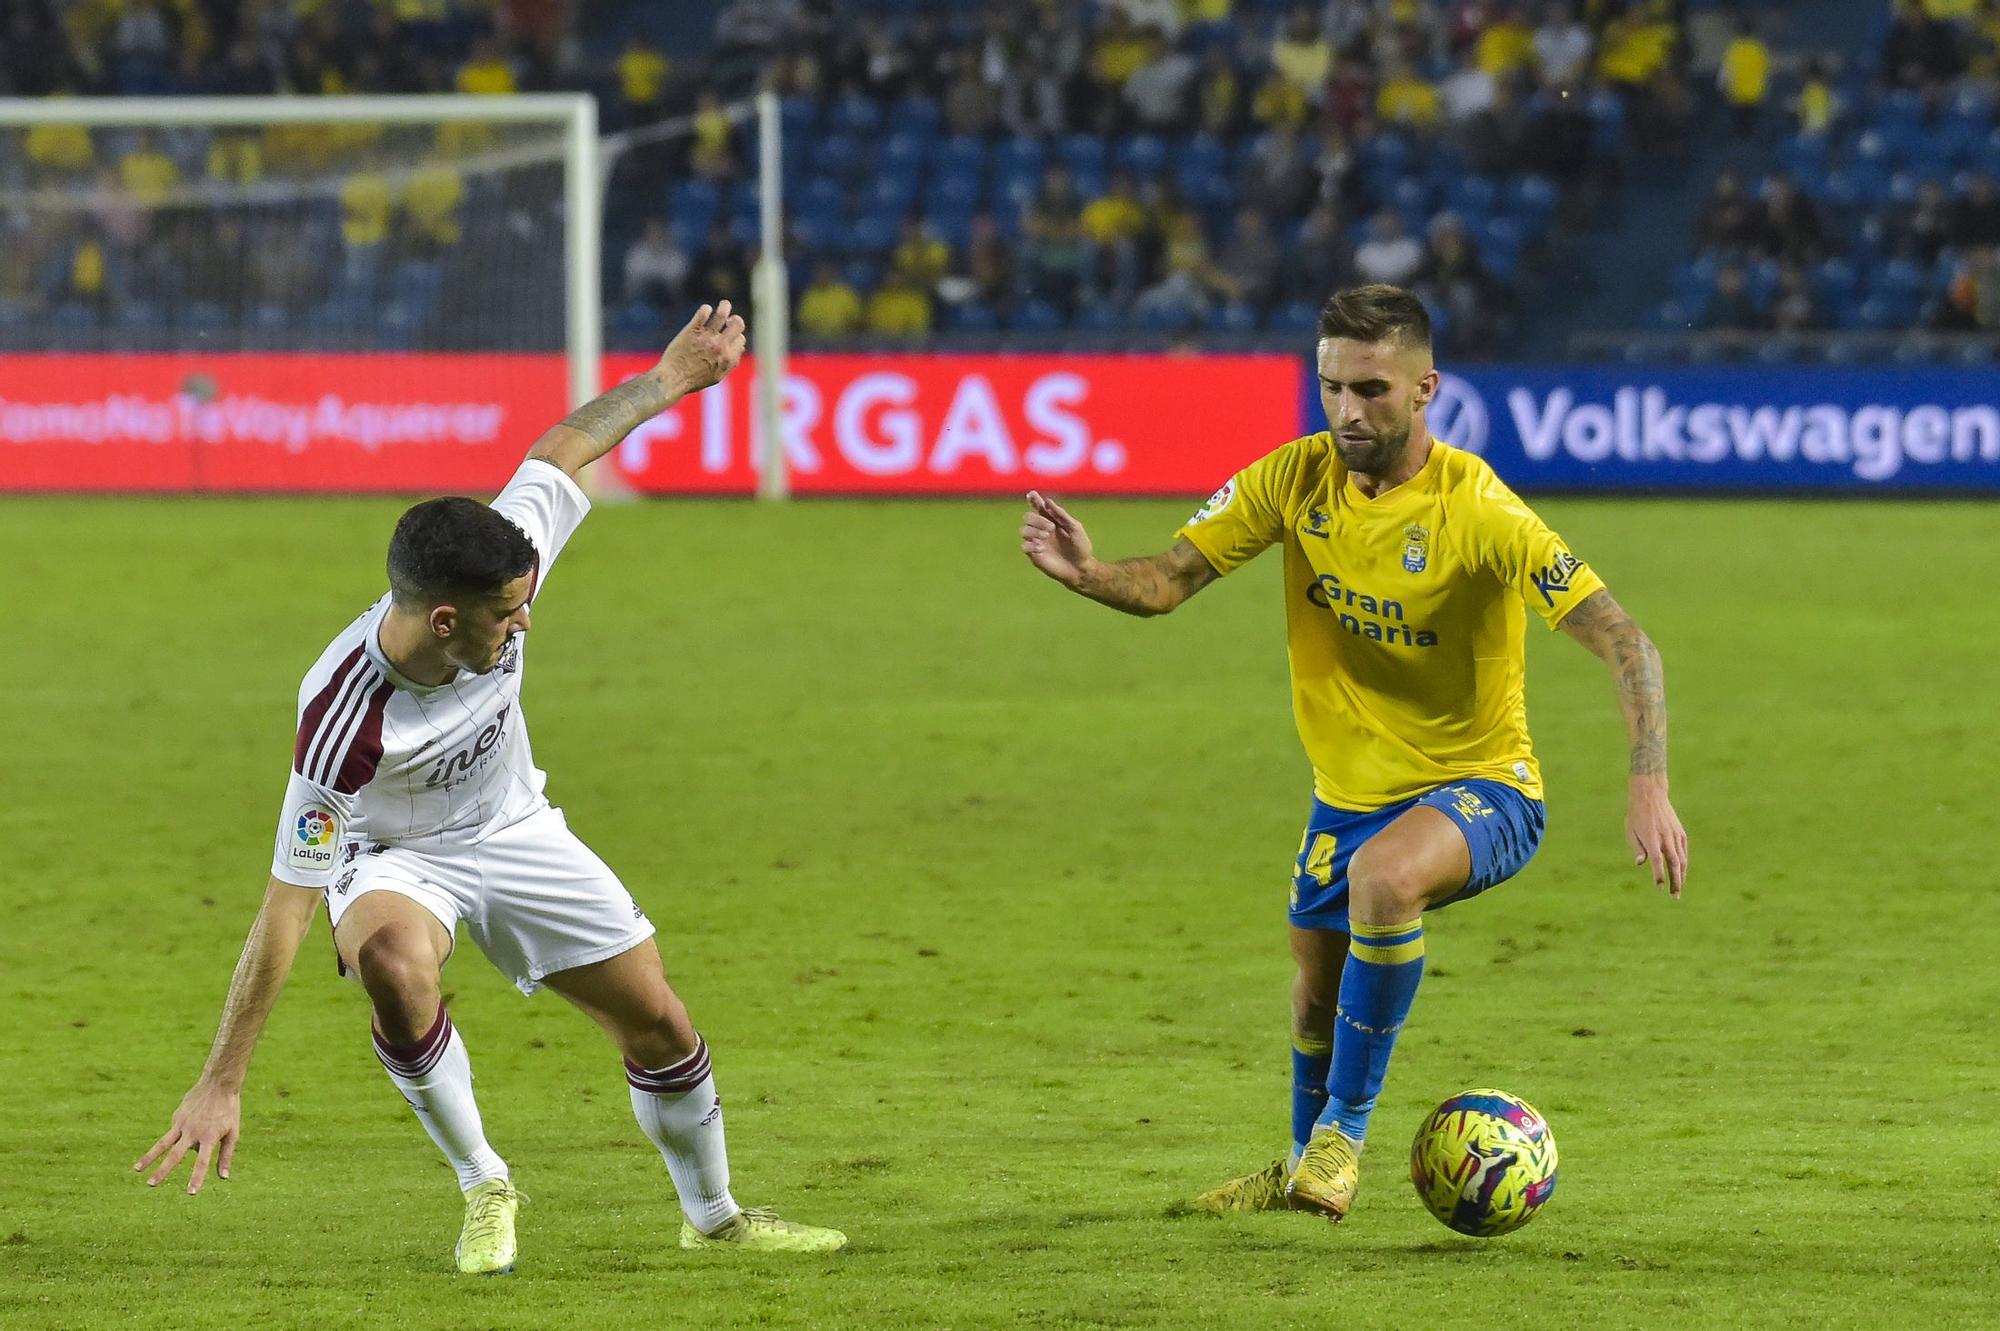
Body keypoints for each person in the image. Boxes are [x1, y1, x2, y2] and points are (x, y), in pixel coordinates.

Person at [134, 302, 848, 1269]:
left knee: (663, 1022)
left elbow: (560, 448)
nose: (522, 624)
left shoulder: (502, 559)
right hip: (395, 855)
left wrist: (674, 377)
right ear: (440, 619)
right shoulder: (342, 721)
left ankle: (715, 1212)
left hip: (514, 824)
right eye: (503, 617)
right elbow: (287, 906)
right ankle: (484, 1183)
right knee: (392, 964)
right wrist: (222, 1078)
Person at [1017, 284, 1686, 1222]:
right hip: (1348, 793)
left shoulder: (1480, 509)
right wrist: (1088, 573)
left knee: (1383, 881)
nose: (1346, 410)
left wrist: (1647, 781)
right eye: (1331, 385)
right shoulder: (1295, 479)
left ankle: (1344, 1135)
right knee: (1310, 998)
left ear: (1425, 390)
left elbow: (1626, 640)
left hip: (1485, 786)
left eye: (1371, 388)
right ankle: (1300, 1170)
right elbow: (1171, 578)